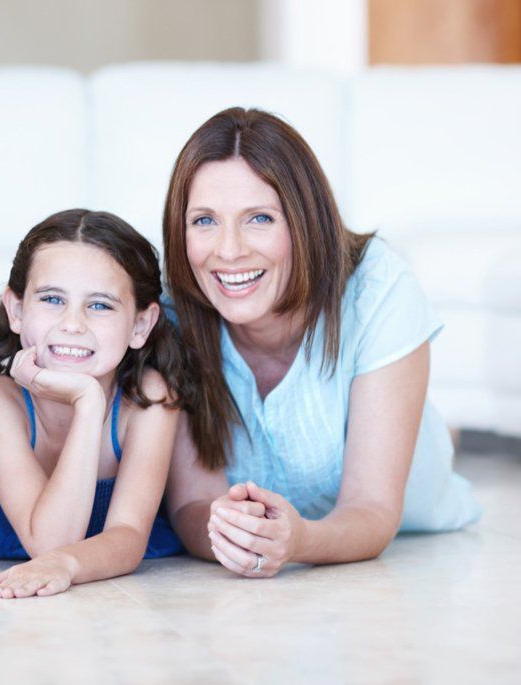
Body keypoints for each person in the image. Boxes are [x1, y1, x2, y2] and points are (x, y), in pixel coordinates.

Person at [162, 107, 482, 579]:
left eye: (260, 218)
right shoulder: (172, 312)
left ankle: (442, 431)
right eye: (205, 221)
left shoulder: (378, 288)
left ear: (304, 222)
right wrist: (233, 536)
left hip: (412, 524)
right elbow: (193, 501)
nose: (228, 250)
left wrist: (298, 541)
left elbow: (371, 510)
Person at [0, 209, 189, 599]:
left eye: (100, 305)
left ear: (140, 325)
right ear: (16, 310)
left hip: (100, 562)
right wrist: (88, 401)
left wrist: (69, 564)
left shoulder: (150, 398)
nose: (73, 323)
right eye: (51, 299)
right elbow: (49, 543)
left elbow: (126, 535)